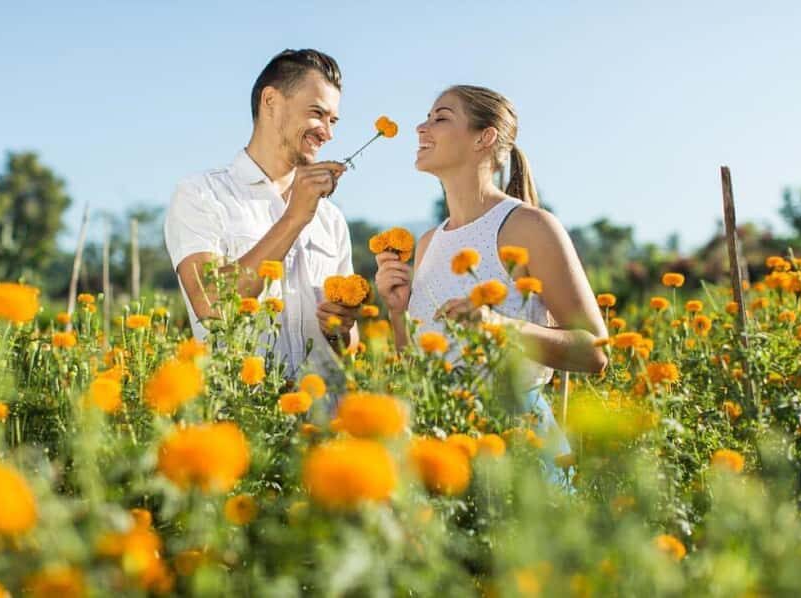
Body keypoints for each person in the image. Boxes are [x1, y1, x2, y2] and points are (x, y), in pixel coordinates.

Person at [374, 84, 608, 465]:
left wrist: (499, 328)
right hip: (439, 442)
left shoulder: (530, 226)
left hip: (517, 445)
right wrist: (398, 312)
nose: (421, 127)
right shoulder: (428, 242)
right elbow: (413, 370)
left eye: (440, 118)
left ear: (485, 138)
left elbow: (595, 353)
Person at [164, 49, 359, 377]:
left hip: (325, 422)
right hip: (246, 420)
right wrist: (294, 218)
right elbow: (211, 305)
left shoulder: (332, 219)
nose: (328, 133)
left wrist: (340, 329)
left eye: (333, 120)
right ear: (271, 101)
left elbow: (349, 347)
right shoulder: (201, 194)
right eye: (317, 113)